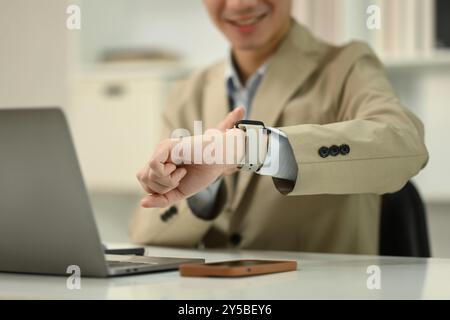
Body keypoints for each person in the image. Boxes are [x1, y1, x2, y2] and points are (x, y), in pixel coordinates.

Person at [130, 0, 428, 254]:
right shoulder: (187, 93)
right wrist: (205, 188)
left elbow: (405, 145)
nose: (239, 4)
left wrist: (253, 148)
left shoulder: (347, 65)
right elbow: (147, 235)